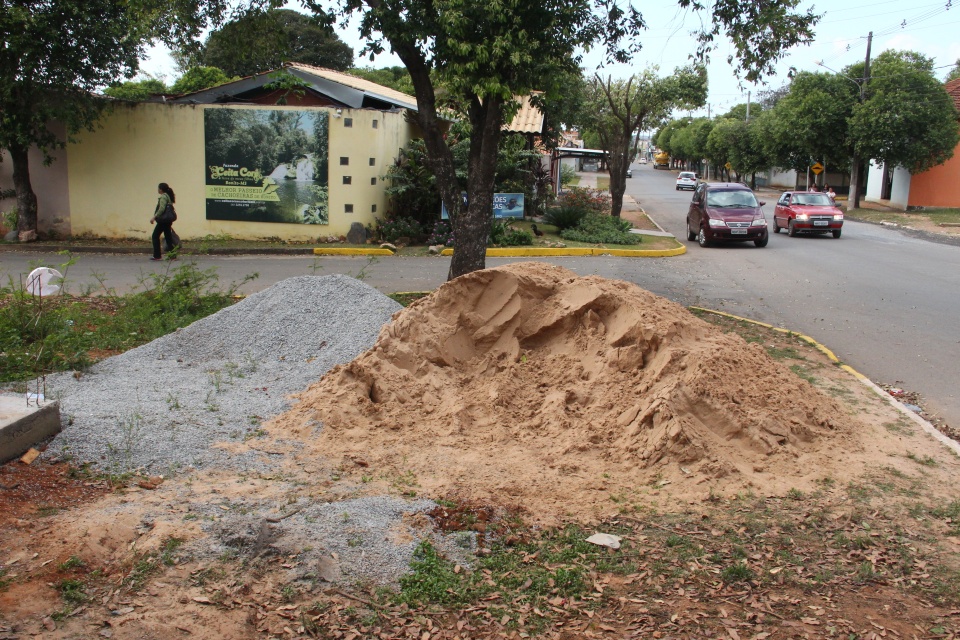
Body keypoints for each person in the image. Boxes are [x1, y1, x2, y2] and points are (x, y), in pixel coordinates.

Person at [150, 183, 176, 261]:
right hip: (168, 220)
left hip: (163, 221)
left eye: (158, 188)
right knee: (168, 237)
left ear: (161, 189)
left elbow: (161, 209)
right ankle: (172, 255)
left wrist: (154, 217)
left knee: (155, 236)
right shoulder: (168, 196)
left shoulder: (163, 197)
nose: (157, 190)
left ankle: (157, 255)